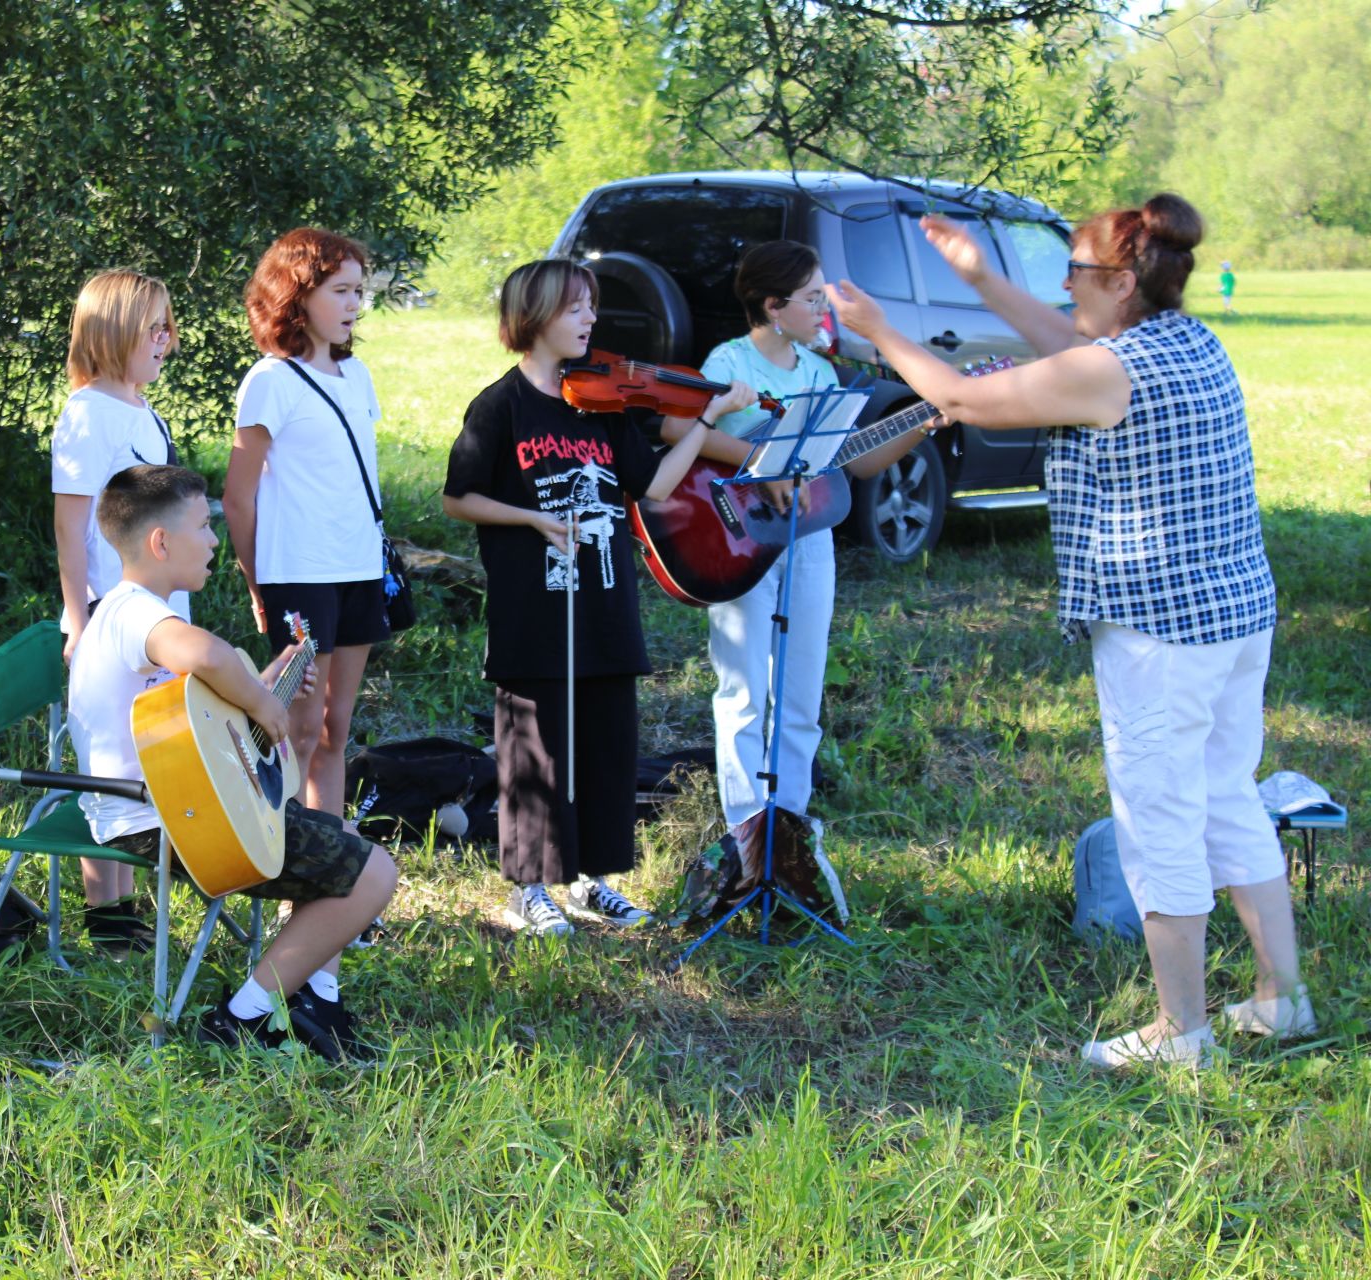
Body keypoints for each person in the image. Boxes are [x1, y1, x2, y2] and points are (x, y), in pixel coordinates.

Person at [825, 193, 1310, 1069]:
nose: (1063, 282)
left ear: (1122, 281)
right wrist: (975, 276)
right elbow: (1067, 344)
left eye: (1077, 271)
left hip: (1159, 631)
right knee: (1230, 797)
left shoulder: (1110, 371)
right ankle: (1282, 1000)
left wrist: (879, 329)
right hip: (1232, 618)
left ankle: (1181, 1033)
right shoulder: (1183, 341)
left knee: (1159, 822)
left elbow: (961, 399)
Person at [66, 463, 399, 1062]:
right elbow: (208, 656)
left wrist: (265, 684)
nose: (216, 540)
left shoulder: (136, 611)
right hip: (166, 823)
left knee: (344, 836)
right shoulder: (135, 611)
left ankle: (315, 1000)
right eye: (203, 526)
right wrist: (263, 704)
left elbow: (188, 716)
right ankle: (243, 1017)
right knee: (376, 874)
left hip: (175, 805)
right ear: (160, 542)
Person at [442, 258, 712, 935]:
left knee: (605, 745)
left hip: (605, 603)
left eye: (590, 307)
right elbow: (458, 498)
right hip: (532, 609)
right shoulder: (500, 406)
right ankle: (527, 889)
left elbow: (650, 487)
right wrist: (531, 518)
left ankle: (591, 881)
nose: (591, 319)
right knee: (535, 746)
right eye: (576, 308)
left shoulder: (601, 404)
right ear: (533, 318)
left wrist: (707, 419)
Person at [665, 242, 942, 853]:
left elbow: (858, 463)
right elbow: (688, 435)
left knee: (801, 691)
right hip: (737, 538)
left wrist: (924, 418)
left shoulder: (819, 370)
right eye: (813, 298)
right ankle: (744, 829)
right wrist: (768, 468)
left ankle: (788, 827)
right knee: (742, 690)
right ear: (773, 305)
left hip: (808, 541)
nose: (824, 309)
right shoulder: (729, 360)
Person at [224, 228, 388, 819]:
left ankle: (334, 869)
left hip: (361, 569)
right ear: (298, 295)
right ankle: (288, 872)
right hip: (299, 575)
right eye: (340, 291)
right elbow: (238, 499)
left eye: (357, 292)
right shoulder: (269, 380)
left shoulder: (358, 374)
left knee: (335, 731)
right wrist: (256, 586)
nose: (354, 305)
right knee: (297, 731)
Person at [50, 269, 183, 949]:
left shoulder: (141, 411)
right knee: (110, 771)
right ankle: (109, 930)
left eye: (169, 327)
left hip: (157, 621)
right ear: (114, 330)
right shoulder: (87, 413)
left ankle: (131, 924)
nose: (167, 341)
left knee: (143, 767)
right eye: (154, 327)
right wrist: (79, 614)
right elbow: (70, 527)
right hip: (112, 619)